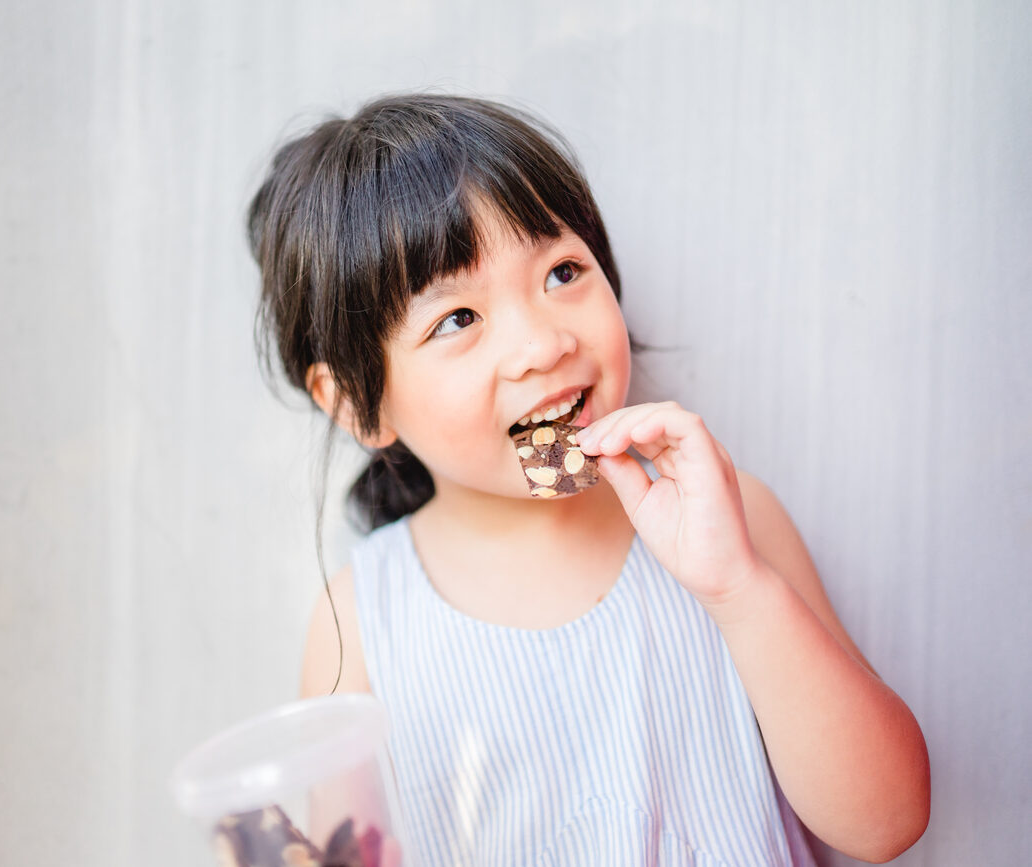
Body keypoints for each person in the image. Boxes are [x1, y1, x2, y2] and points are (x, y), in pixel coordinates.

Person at [245, 92, 929, 866]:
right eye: (458, 319)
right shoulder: (361, 620)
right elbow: (346, 849)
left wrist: (737, 588)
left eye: (563, 271)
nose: (543, 342)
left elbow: (889, 819)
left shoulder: (727, 521)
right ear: (355, 404)